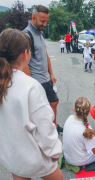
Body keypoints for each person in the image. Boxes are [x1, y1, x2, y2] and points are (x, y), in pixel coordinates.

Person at [0, 28, 63, 180]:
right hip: (35, 158)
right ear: (25, 53)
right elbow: (44, 126)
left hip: (12, 155)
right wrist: (54, 152)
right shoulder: (30, 86)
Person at [23, 5, 63, 134]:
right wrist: (30, 82)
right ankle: (41, 132)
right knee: (39, 109)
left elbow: (45, 55)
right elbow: (25, 62)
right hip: (36, 80)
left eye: (46, 21)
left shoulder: (40, 33)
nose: (45, 24)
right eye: (42, 21)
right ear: (34, 18)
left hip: (46, 78)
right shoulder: (26, 34)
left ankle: (54, 125)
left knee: (54, 102)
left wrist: (51, 74)